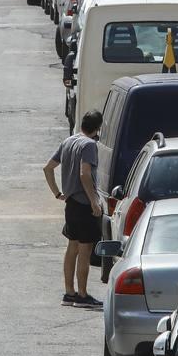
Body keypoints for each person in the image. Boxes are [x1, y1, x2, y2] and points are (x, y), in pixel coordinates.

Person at [43, 109, 104, 307]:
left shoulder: (69, 141)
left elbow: (48, 168)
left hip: (71, 204)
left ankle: (69, 292)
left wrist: (57, 192)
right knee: (85, 251)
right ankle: (82, 295)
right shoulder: (89, 145)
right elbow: (84, 174)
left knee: (72, 247)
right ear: (97, 128)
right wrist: (94, 201)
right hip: (85, 205)